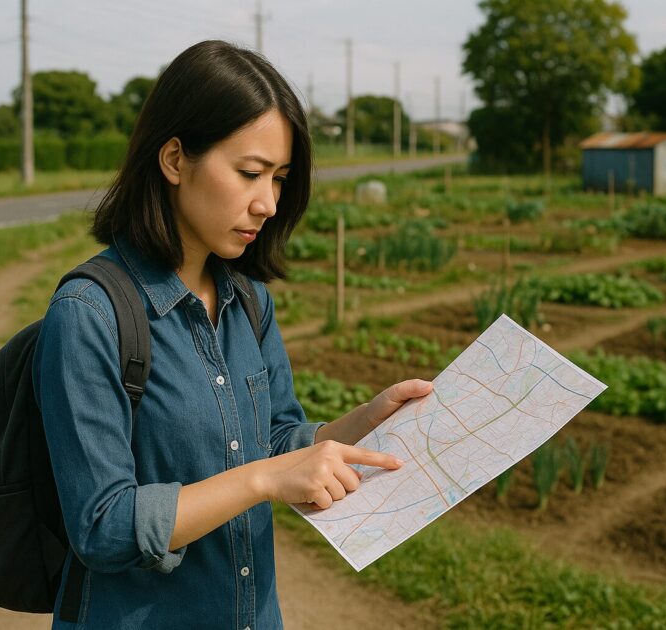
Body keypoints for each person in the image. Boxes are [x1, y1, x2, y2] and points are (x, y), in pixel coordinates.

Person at [33, 39, 433, 629]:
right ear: (174, 160)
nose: (268, 202)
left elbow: (274, 445)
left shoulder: (249, 300)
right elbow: (102, 525)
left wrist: (365, 422)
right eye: (250, 173)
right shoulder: (88, 313)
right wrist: (262, 480)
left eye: (280, 178)